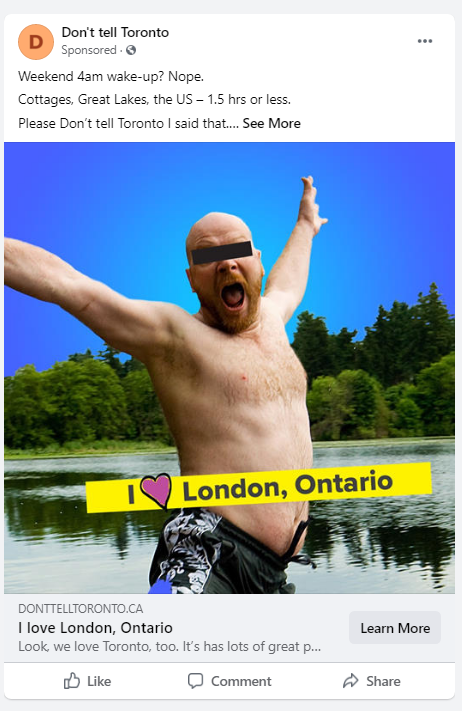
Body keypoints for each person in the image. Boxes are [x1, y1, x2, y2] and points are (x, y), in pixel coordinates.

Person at [4, 176, 328, 594]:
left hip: (272, 572)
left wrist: (304, 226)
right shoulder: (174, 336)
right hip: (207, 549)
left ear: (257, 262)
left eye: (237, 252)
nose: (228, 264)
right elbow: (74, 289)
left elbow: (290, 281)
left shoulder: (271, 319)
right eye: (211, 257)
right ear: (192, 278)